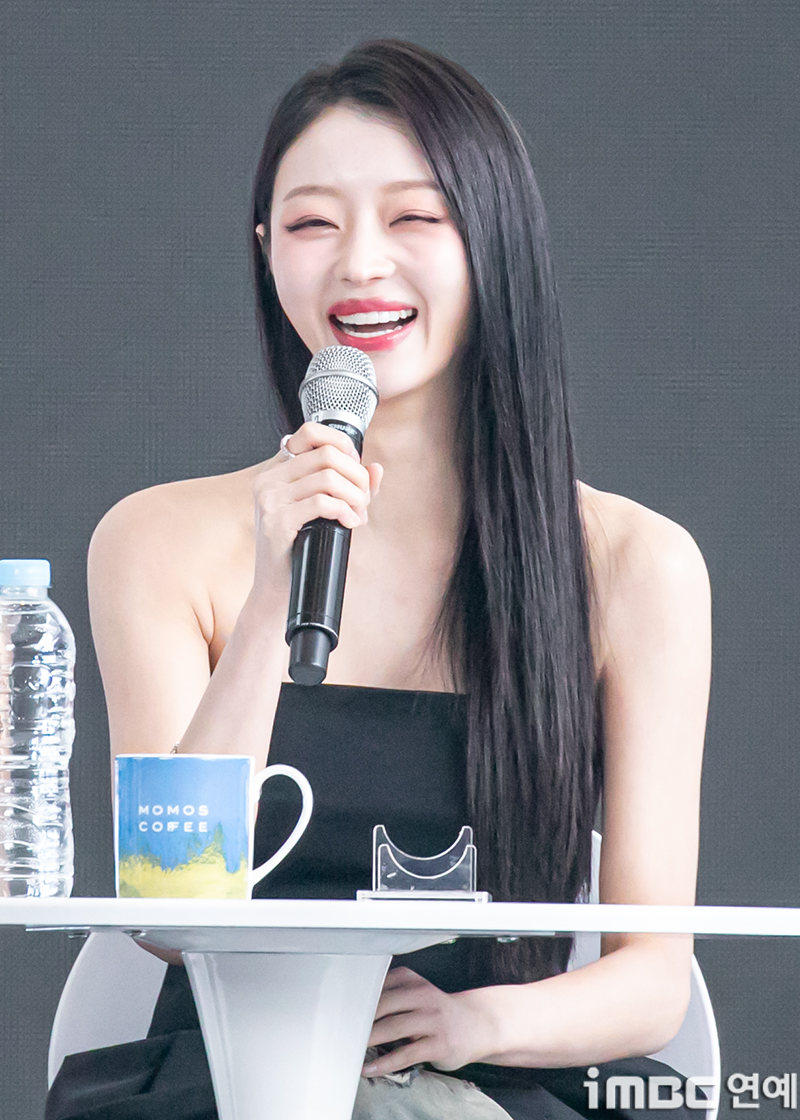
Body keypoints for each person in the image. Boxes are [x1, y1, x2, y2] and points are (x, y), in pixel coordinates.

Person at [47, 38, 712, 1120]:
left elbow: (652, 979)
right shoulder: (156, 539)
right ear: (267, 253)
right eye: (313, 224)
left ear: (492, 241)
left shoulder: (635, 566)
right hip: (233, 1082)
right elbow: (166, 907)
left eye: (414, 218)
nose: (360, 264)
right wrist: (272, 598)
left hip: (500, 1078)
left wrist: (466, 1026)